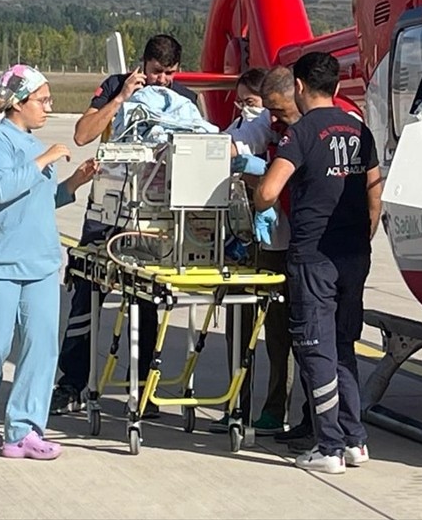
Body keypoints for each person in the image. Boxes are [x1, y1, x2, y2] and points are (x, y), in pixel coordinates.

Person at [51, 33, 197, 416]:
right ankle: (71, 383)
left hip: (153, 214)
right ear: (142, 66)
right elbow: (83, 134)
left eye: (169, 73)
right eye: (155, 72)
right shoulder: (118, 87)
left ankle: (143, 386)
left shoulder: (185, 102)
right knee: (87, 294)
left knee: (146, 300)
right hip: (108, 210)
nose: (162, 80)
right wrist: (120, 99)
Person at [253, 52, 382, 474]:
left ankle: (328, 446)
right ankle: (354, 439)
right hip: (354, 254)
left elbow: (270, 191)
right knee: (344, 346)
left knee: (315, 347)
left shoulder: (303, 131)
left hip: (314, 256)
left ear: (301, 87)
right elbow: (374, 195)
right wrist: (362, 237)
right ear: (339, 87)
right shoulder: (360, 130)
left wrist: (257, 198)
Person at [0, 65, 98, 459]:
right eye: (42, 100)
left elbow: (40, 199)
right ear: (17, 102)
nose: (48, 108)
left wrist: (74, 182)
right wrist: (45, 158)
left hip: (38, 263)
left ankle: (23, 430)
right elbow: (2, 188)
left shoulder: (34, 149)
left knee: (40, 347)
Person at [211, 66, 298, 437]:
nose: (248, 109)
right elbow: (232, 145)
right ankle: (236, 405)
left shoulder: (286, 127)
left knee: (279, 335)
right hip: (243, 242)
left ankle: (274, 408)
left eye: (254, 102)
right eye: (241, 101)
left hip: (280, 244)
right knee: (238, 327)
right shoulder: (251, 127)